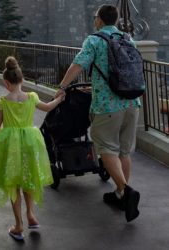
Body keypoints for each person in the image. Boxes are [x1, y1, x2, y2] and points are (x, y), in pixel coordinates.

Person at [55, 4, 141, 222]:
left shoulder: (94, 40)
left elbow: (78, 65)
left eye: (96, 17)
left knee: (106, 149)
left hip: (107, 106)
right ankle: (121, 195)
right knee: (124, 151)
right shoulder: (127, 39)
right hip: (132, 102)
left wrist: (63, 87)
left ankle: (126, 190)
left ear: (100, 20)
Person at [0, 57, 64, 241]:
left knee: (13, 184)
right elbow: (48, 107)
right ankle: (31, 216)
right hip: (29, 142)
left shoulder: (3, 102)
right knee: (28, 179)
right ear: (22, 80)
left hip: (10, 146)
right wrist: (58, 98)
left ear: (6, 83)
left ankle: (18, 226)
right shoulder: (31, 97)